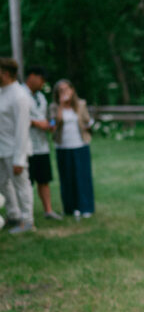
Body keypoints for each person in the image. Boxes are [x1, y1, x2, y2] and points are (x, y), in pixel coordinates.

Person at [50, 79, 95, 218]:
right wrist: (61, 107)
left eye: (66, 89)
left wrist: (88, 125)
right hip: (63, 147)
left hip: (80, 145)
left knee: (82, 177)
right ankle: (69, 208)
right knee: (66, 178)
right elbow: (52, 125)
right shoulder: (54, 107)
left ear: (72, 90)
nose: (64, 92)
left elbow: (88, 121)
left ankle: (85, 207)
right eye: (61, 90)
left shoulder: (81, 105)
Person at [0, 56, 34, 234]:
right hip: (1, 149)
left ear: (5, 74)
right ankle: (13, 215)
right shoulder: (1, 92)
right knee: (3, 184)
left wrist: (19, 159)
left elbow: (22, 129)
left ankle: (28, 220)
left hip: (15, 150)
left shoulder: (19, 95)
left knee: (21, 185)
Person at [24, 65, 61, 220]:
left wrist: (49, 124)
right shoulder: (20, 94)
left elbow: (45, 116)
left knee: (44, 179)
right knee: (27, 182)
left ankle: (48, 210)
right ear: (32, 76)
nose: (42, 83)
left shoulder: (41, 97)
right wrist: (35, 123)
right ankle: (26, 213)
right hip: (26, 145)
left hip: (42, 145)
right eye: (41, 79)